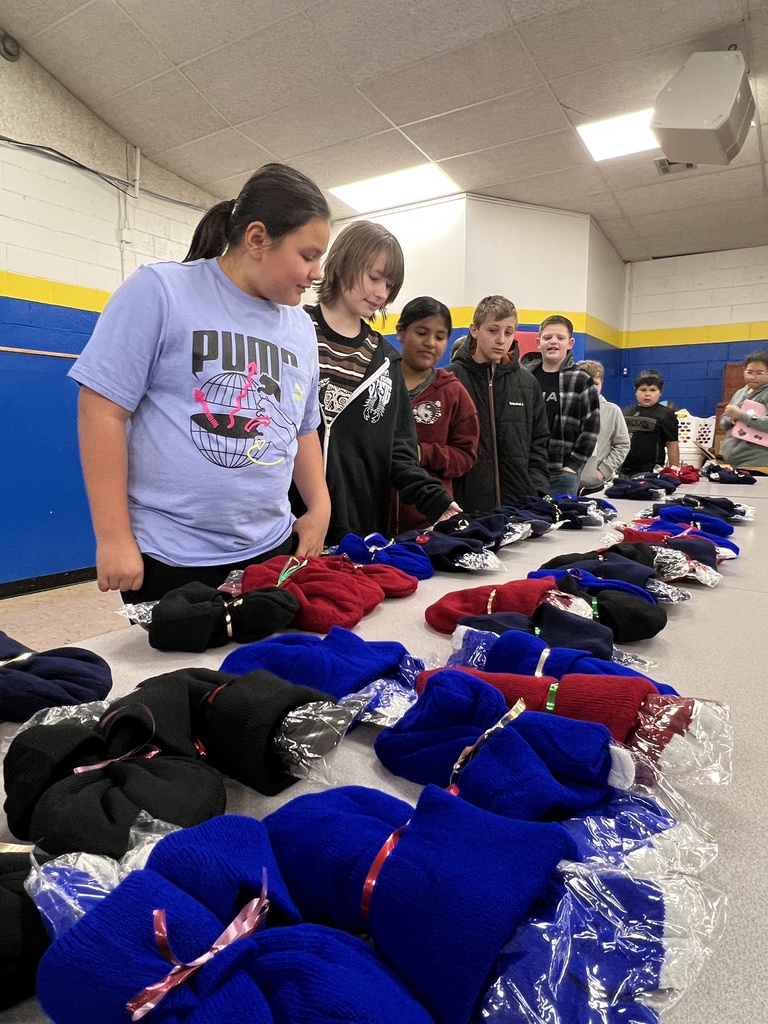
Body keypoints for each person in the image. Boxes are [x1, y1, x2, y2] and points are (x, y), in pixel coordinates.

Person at [69, 162, 333, 602]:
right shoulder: (160, 291)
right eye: (308, 256)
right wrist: (113, 538)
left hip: (271, 549)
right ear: (256, 239)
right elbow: (101, 411)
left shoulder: (301, 328)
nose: (318, 272)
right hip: (171, 555)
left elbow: (303, 428)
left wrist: (320, 507)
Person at [303, 221, 458, 544]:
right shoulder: (292, 331)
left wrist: (437, 502)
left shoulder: (387, 361)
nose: (380, 294)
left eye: (389, 285)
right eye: (374, 277)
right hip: (288, 524)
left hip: (359, 529)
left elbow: (399, 452)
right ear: (344, 262)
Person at [448, 295, 549, 511]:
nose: (501, 339)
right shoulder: (450, 380)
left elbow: (538, 444)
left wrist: (537, 491)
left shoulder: (528, 384)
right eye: (493, 330)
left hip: (519, 508)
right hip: (466, 509)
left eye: (508, 332)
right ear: (474, 330)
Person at [390, 296, 479, 533]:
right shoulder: (379, 382)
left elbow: (465, 455)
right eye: (421, 332)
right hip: (371, 515)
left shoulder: (453, 392)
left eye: (440, 337)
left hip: (427, 520)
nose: (430, 342)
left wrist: (422, 453)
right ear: (401, 332)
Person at [521, 314, 600, 496]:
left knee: (563, 521)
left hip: (562, 473)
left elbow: (591, 428)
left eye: (560, 338)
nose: (553, 342)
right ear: (538, 342)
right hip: (527, 470)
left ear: (570, 343)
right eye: (547, 337)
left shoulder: (582, 380)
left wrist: (572, 466)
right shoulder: (524, 377)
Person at [575, 359, 630, 492]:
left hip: (596, 486)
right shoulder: (565, 409)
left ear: (602, 383)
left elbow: (622, 445)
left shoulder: (612, 411)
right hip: (565, 483)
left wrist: (602, 471)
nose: (590, 389)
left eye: (595, 384)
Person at [620, 369, 680, 475]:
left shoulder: (666, 415)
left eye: (653, 390)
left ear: (660, 392)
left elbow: (672, 444)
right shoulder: (625, 412)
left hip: (651, 471)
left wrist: (674, 471)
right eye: (643, 390)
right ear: (635, 391)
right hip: (624, 469)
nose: (647, 394)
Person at [719, 350, 768, 467]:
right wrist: (730, 420)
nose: (753, 377)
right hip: (734, 461)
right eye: (749, 372)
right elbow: (724, 421)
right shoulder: (740, 392)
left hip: (759, 463)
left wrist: (741, 416)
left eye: (759, 373)